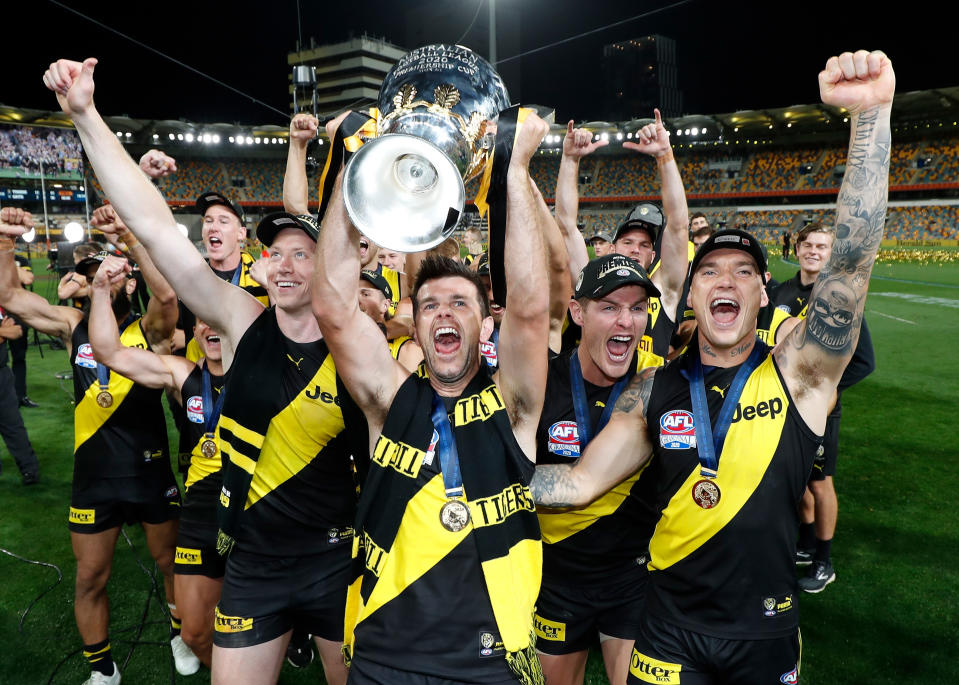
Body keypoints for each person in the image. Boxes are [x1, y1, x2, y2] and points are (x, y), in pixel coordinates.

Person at [529, 49, 894, 684]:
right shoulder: (650, 390)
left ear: (764, 295)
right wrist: (479, 474)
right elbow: (579, 484)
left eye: (744, 272)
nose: (726, 280)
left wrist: (871, 116)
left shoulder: (801, 373)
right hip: (665, 631)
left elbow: (852, 261)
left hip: (765, 630)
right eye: (711, 271)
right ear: (690, 296)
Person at [44, 58, 352, 685]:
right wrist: (86, 116)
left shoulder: (361, 344)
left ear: (327, 267)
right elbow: (157, 228)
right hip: (252, 556)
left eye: (304, 252)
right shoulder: (241, 319)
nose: (287, 263)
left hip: (337, 554)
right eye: (278, 252)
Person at [313, 111, 551, 684]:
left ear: (484, 325)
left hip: (494, 662)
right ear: (414, 328)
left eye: (461, 303)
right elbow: (333, 309)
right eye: (429, 306)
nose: (444, 312)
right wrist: (353, 164)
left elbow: (531, 308)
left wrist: (514, 168)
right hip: (383, 653)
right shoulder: (391, 401)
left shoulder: (514, 405)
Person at [0, 205, 186, 685]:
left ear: (126, 281)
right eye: (89, 274)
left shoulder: (150, 331)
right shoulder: (70, 325)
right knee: (89, 578)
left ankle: (180, 633)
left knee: (170, 563)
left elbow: (166, 293)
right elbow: (9, 296)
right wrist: (4, 241)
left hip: (150, 471)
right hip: (95, 478)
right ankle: (102, 668)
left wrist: (129, 234)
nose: (96, 279)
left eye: (106, 272)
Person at [87, 252, 228, 671]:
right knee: (194, 631)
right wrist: (98, 292)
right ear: (196, 330)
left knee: (264, 614)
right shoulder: (184, 374)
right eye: (202, 320)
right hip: (203, 504)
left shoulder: (268, 370)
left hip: (257, 498)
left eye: (220, 319)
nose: (210, 327)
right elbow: (109, 352)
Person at [535, 254, 663, 685]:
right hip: (555, 576)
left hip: (633, 575)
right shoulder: (540, 380)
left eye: (638, 307)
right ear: (578, 312)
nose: (626, 321)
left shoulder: (658, 384)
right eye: (609, 307)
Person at [767, 221, 876, 593]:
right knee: (795, 480)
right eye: (808, 244)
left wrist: (822, 388)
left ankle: (823, 561)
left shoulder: (840, 298)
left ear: (832, 254)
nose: (814, 251)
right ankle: (806, 543)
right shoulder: (780, 292)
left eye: (822, 246)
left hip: (820, 412)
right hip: (779, 409)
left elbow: (864, 362)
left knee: (820, 481)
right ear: (796, 249)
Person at [612, 109, 690, 360]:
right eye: (628, 242)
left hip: (652, 399)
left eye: (644, 245)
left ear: (653, 255)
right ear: (613, 248)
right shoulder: (594, 289)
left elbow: (678, 226)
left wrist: (664, 156)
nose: (635, 249)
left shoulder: (662, 292)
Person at [0, 288, 40, 485]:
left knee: (13, 423)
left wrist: (4, 332)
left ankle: (29, 469)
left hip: (2, 373)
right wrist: (2, 332)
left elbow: (16, 330)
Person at [10, 252, 38, 407]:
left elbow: (27, 278)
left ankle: (20, 396)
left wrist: (7, 260)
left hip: (16, 311)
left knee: (19, 357)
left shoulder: (19, 259)